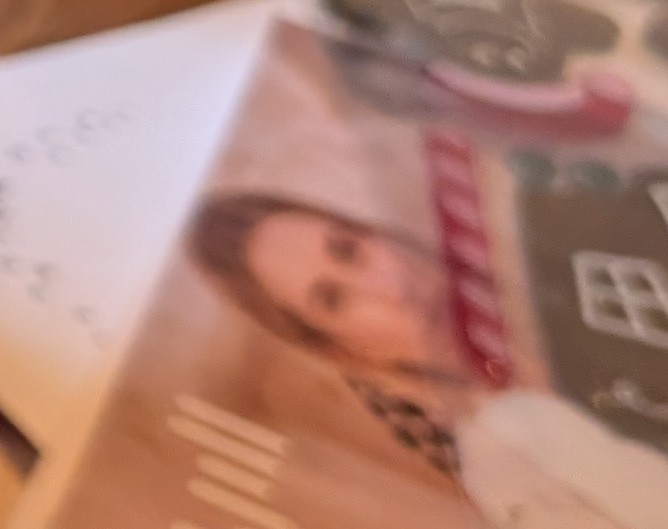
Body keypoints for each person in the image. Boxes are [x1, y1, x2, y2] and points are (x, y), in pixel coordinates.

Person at [183, 189, 472, 475]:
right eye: (334, 300)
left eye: (349, 249)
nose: (394, 289)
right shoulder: (462, 442)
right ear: (343, 350)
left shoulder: (473, 211)